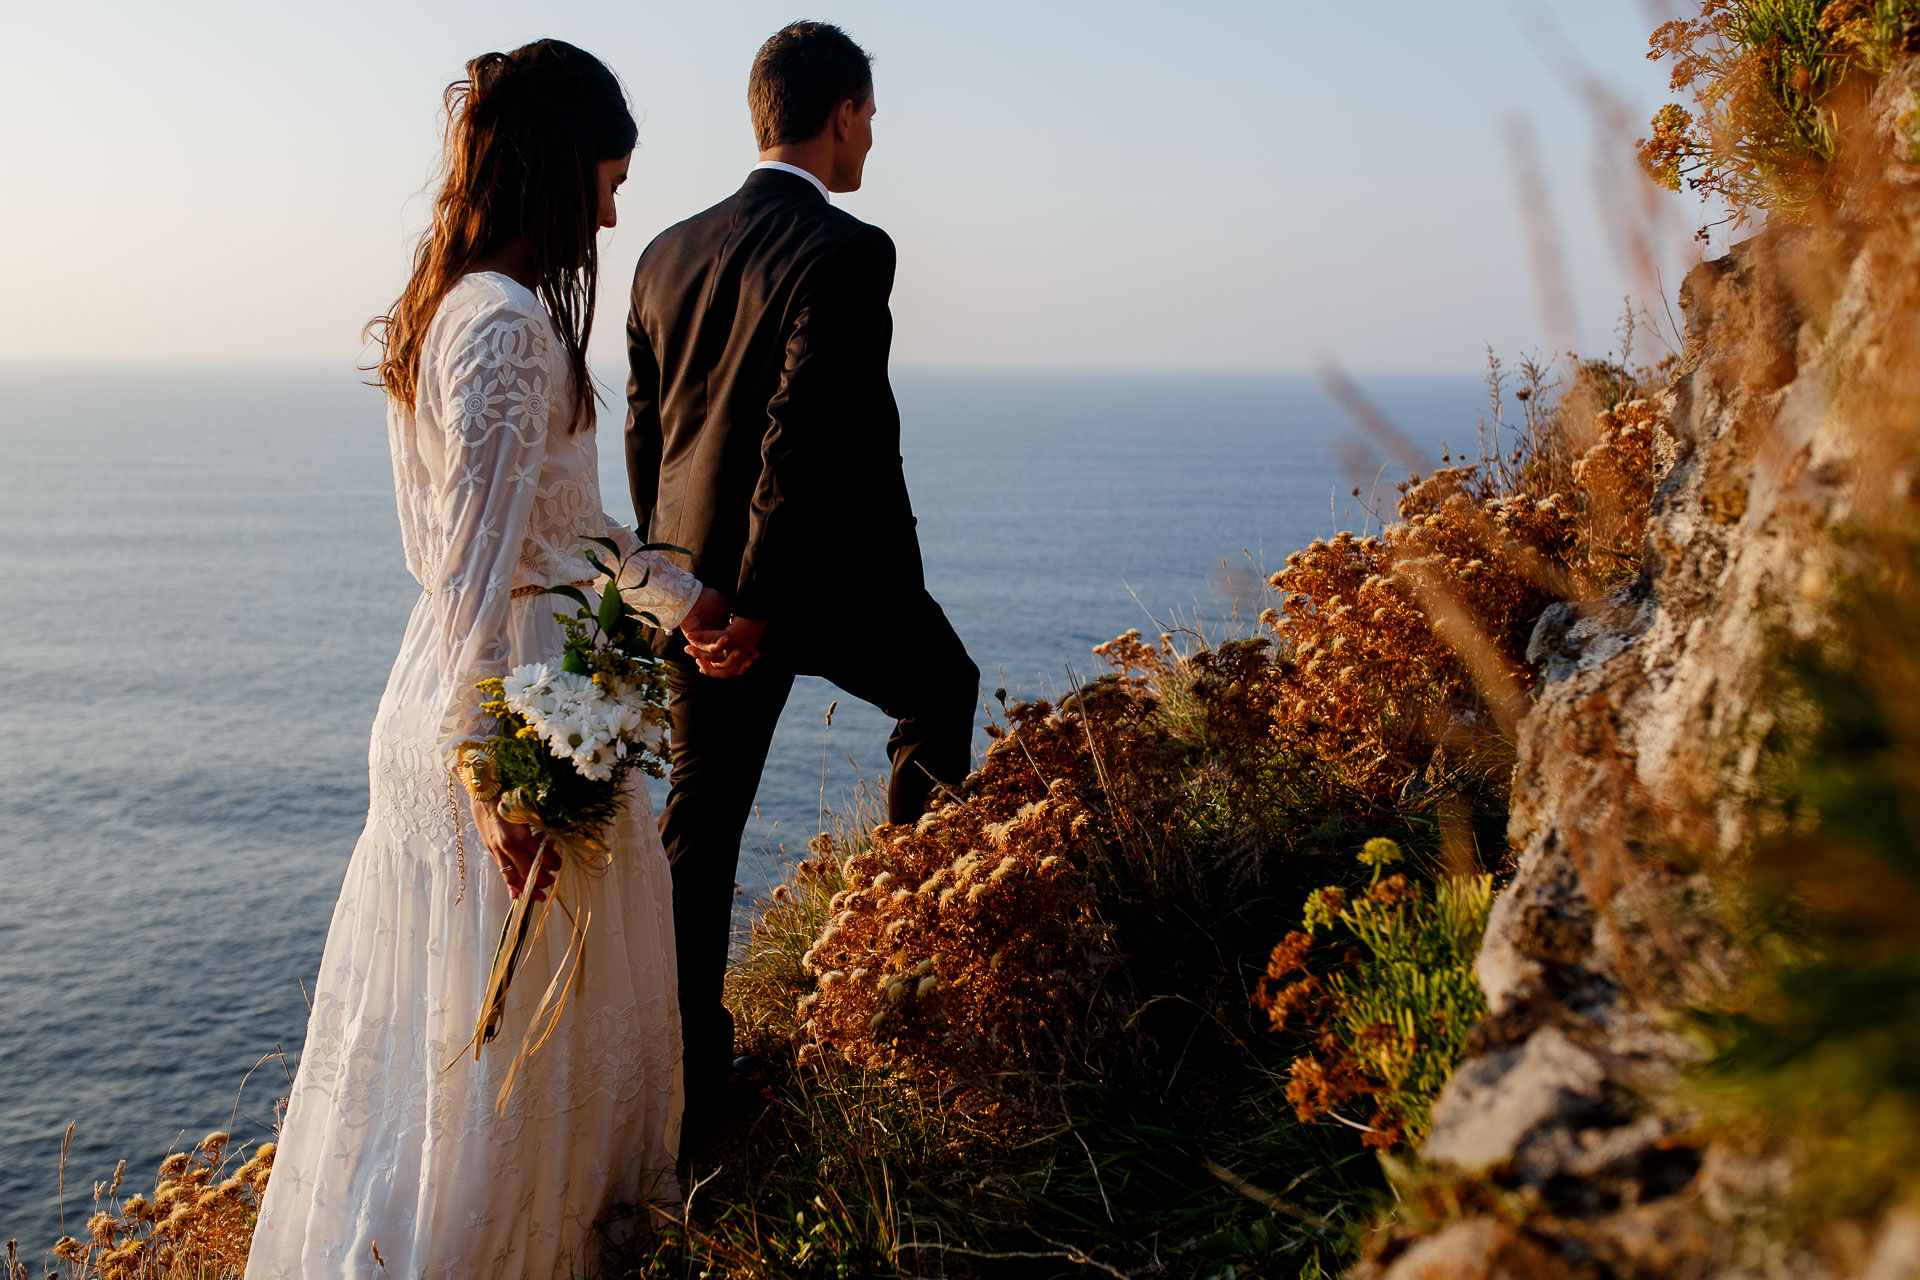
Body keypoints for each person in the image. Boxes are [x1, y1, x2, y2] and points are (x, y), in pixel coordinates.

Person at [246, 40, 731, 1277]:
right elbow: (479, 563)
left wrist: (683, 603)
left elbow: (564, 529)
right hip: (516, 703)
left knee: (442, 1050)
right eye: (609, 181)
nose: (615, 211)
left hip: (466, 683)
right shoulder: (510, 328)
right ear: (562, 170)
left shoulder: (452, 305)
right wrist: (484, 761)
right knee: (516, 1055)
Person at [624, 21, 980, 1142]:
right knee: (942, 690)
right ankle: (906, 952)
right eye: (870, 116)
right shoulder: (847, 249)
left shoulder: (662, 254)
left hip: (696, 596)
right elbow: (799, 436)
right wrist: (764, 603)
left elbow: (650, 440)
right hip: (811, 585)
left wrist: (680, 590)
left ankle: (690, 1081)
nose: (872, 137)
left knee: (702, 823)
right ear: (842, 115)